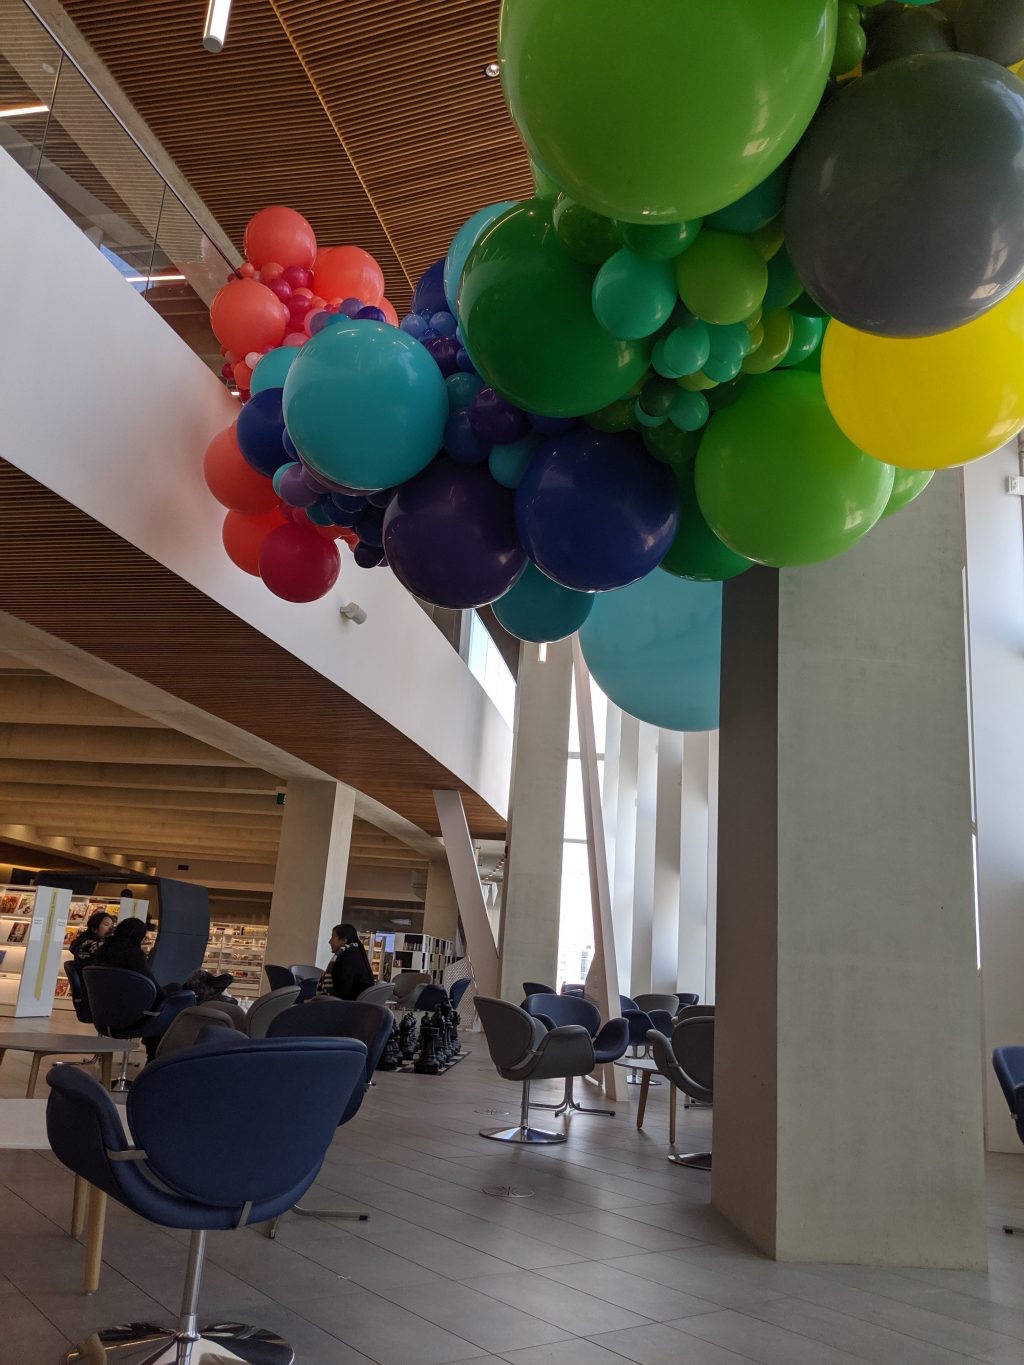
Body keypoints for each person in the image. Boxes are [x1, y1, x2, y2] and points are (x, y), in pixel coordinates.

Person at [317, 923, 375, 1000]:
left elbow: (342, 994)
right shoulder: (357, 955)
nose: (329, 941)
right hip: (358, 1007)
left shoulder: (345, 959)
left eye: (333, 937)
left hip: (345, 1007)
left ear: (344, 940)